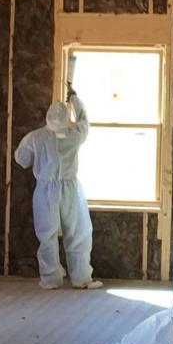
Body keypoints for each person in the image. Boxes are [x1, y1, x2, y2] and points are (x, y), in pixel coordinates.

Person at [14, 86, 102, 290]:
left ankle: (50, 278)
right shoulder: (74, 134)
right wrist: (75, 98)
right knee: (78, 231)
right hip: (70, 188)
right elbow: (84, 120)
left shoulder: (35, 137)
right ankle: (81, 277)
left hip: (45, 189)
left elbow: (21, 159)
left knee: (47, 233)